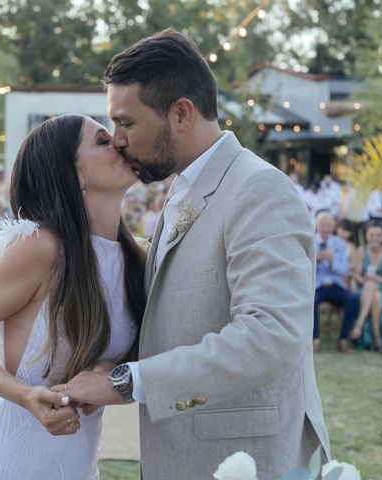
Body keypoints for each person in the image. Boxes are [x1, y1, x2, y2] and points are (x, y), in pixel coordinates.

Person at [52, 29, 329, 479]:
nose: (118, 139)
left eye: (126, 122)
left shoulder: (259, 190)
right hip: (181, 455)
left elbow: (272, 335)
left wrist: (128, 383)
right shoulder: (183, 187)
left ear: (181, 113)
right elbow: (182, 319)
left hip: (246, 458)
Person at [0, 114, 146, 479]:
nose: (119, 143)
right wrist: (24, 395)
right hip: (10, 465)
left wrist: (106, 373)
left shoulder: (135, 259)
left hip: (79, 467)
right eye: (101, 140)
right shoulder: (39, 248)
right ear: (73, 174)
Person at [312, 212, 359, 353]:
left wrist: (333, 263)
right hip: (317, 286)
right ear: (317, 226)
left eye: (328, 225)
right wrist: (317, 260)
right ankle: (315, 339)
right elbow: (304, 268)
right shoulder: (310, 242)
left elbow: (344, 269)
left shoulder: (340, 243)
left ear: (333, 227)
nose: (325, 228)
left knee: (353, 299)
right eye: (322, 225)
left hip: (335, 286)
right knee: (310, 300)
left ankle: (343, 339)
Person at [350, 221, 382, 352]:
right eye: (371, 234)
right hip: (364, 289)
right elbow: (355, 275)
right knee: (373, 291)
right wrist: (365, 280)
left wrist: (379, 279)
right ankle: (378, 341)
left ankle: (359, 325)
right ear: (366, 236)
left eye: (378, 235)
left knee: (377, 294)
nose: (374, 238)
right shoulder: (361, 251)